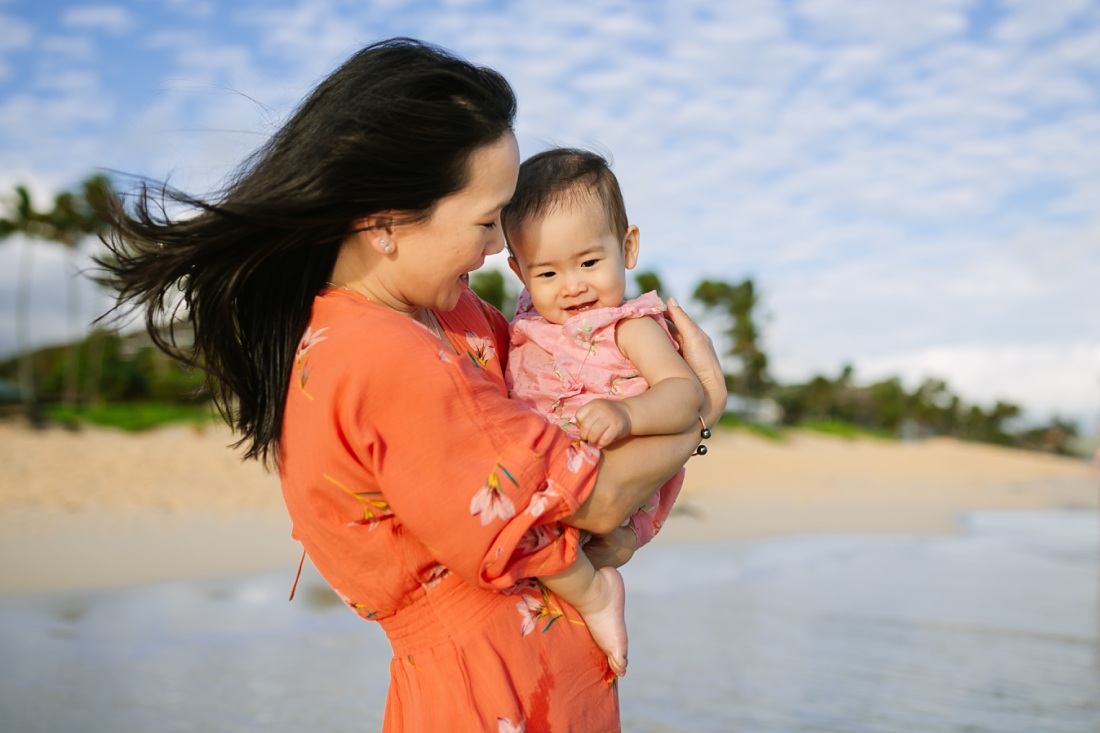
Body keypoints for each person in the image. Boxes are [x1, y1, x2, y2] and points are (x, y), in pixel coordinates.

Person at [96, 38, 726, 733]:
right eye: (488, 221)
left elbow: (577, 388)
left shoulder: (443, 311)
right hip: (487, 697)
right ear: (386, 219)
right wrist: (702, 411)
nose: (499, 251)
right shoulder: (378, 355)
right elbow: (597, 495)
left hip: (540, 680)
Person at [501, 148, 704, 678]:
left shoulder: (628, 326)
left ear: (628, 247)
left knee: (529, 522)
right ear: (518, 271)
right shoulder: (525, 323)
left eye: (589, 262)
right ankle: (585, 589)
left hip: (614, 466)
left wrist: (628, 413)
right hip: (554, 475)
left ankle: (595, 592)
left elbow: (686, 395)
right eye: (546, 272)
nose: (572, 286)